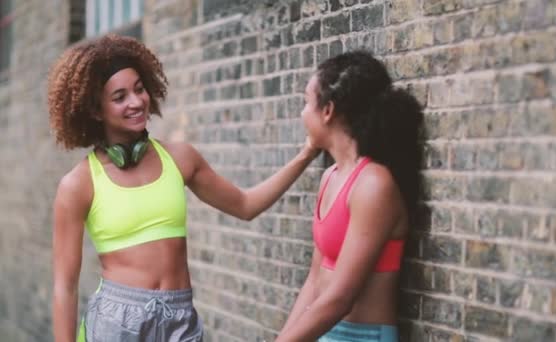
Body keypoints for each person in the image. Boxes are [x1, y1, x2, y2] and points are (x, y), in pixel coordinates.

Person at [48, 34, 319, 342]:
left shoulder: (180, 158)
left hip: (180, 319)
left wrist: (307, 153)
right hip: (117, 322)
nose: (136, 102)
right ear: (96, 111)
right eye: (119, 97)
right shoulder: (78, 184)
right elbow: (64, 286)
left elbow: (246, 205)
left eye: (139, 89)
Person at [276, 51, 424, 342]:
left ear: (327, 110)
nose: (303, 113)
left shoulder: (373, 184)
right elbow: (315, 281)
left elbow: (340, 298)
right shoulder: (330, 177)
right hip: (321, 333)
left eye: (306, 102)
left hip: (364, 337)